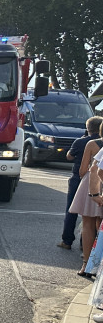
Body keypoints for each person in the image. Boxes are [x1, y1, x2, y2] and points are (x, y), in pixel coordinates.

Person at [61, 116, 102, 250]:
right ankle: (87, 246)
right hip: (99, 182)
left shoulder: (82, 142)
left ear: (88, 128)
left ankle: (67, 241)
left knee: (74, 212)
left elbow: (70, 157)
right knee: (96, 217)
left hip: (82, 180)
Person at [69, 130, 103, 275]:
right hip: (98, 183)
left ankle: (86, 265)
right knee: (99, 226)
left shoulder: (92, 144)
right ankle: (98, 264)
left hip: (92, 183)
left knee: (87, 225)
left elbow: (84, 170)